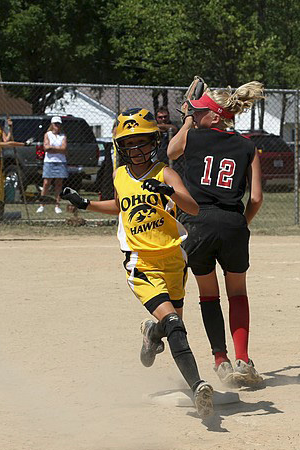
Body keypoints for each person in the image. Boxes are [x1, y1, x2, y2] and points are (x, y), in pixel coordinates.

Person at [60, 108, 215, 418]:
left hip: (173, 260)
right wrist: (85, 203)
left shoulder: (164, 172)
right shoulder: (120, 176)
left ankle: (151, 333)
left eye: (142, 142)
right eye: (129, 144)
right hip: (140, 262)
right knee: (175, 324)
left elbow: (193, 208)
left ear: (153, 143)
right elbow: (120, 206)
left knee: (172, 327)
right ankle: (199, 387)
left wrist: (169, 191)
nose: (136, 150)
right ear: (121, 148)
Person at [166, 81, 265, 389]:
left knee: (209, 295)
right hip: (232, 223)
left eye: (199, 113)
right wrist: (241, 222)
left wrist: (185, 121)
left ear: (217, 116)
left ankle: (220, 361)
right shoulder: (247, 146)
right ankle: (242, 359)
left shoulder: (193, 138)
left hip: (198, 224)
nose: (194, 117)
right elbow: (257, 198)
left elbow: (171, 151)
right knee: (237, 293)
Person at [37, 116, 67, 214]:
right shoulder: (48, 134)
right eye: (55, 124)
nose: (57, 126)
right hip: (49, 162)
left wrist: (52, 148)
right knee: (46, 183)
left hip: (61, 162)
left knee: (59, 184)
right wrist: (58, 148)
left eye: (58, 124)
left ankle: (57, 205)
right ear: (52, 125)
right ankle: (42, 205)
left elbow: (64, 148)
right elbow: (46, 147)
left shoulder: (63, 136)